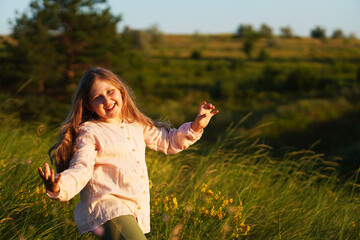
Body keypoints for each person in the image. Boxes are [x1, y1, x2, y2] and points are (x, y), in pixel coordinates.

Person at [38, 67, 218, 239]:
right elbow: (81, 168)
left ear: (121, 91)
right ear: (89, 105)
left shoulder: (136, 124)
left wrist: (196, 126)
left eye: (110, 92)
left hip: (131, 209)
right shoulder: (90, 131)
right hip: (106, 209)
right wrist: (58, 187)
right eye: (98, 98)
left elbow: (169, 142)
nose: (107, 100)